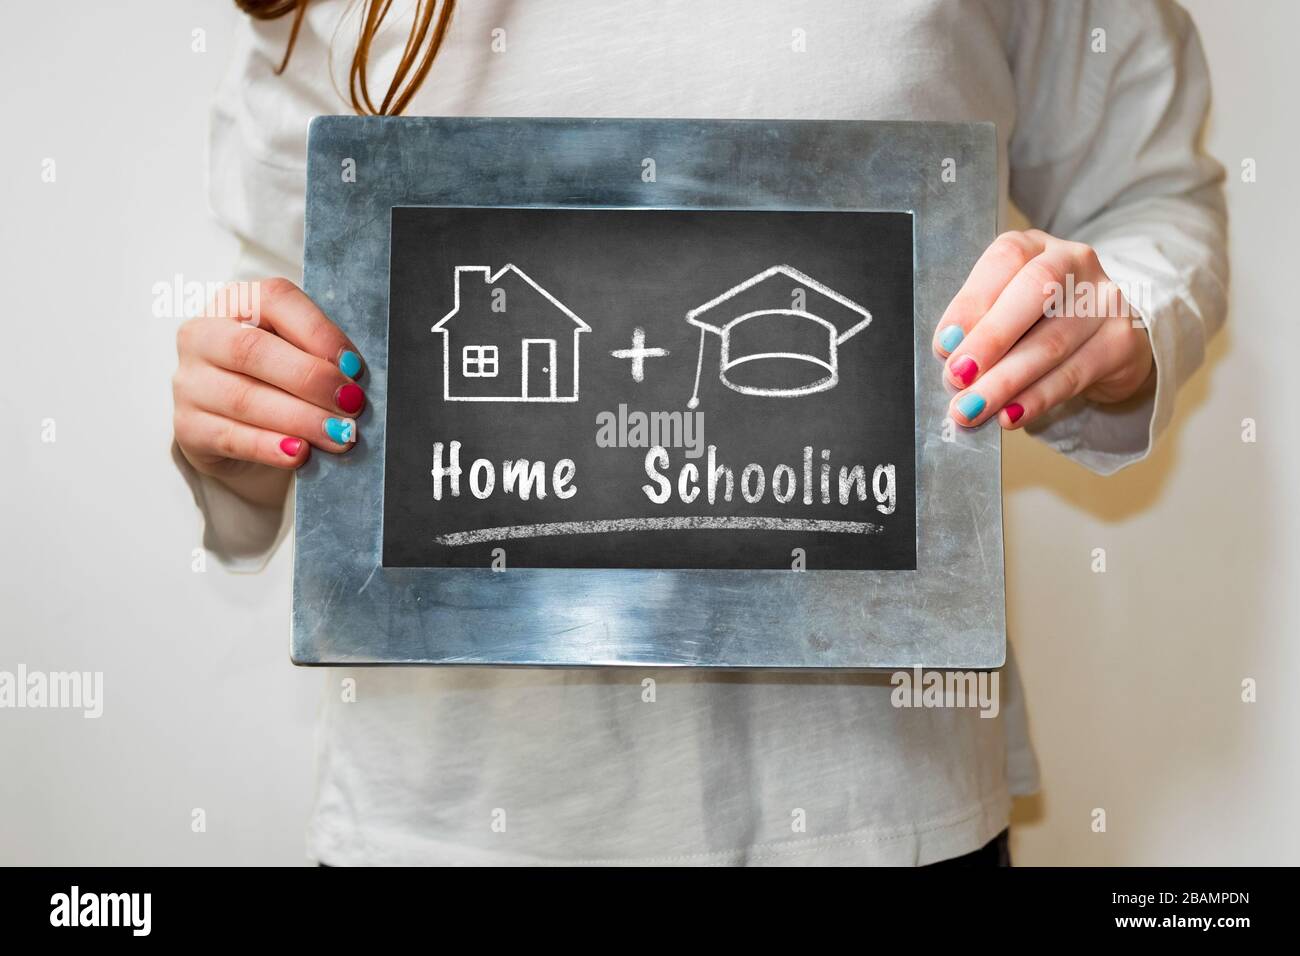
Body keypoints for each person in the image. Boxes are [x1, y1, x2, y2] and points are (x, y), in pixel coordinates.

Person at [172, 0, 1227, 865]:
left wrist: (1115, 320)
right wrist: (236, 431)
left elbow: (1153, 201)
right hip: (443, 822)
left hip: (879, 815)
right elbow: (274, 323)